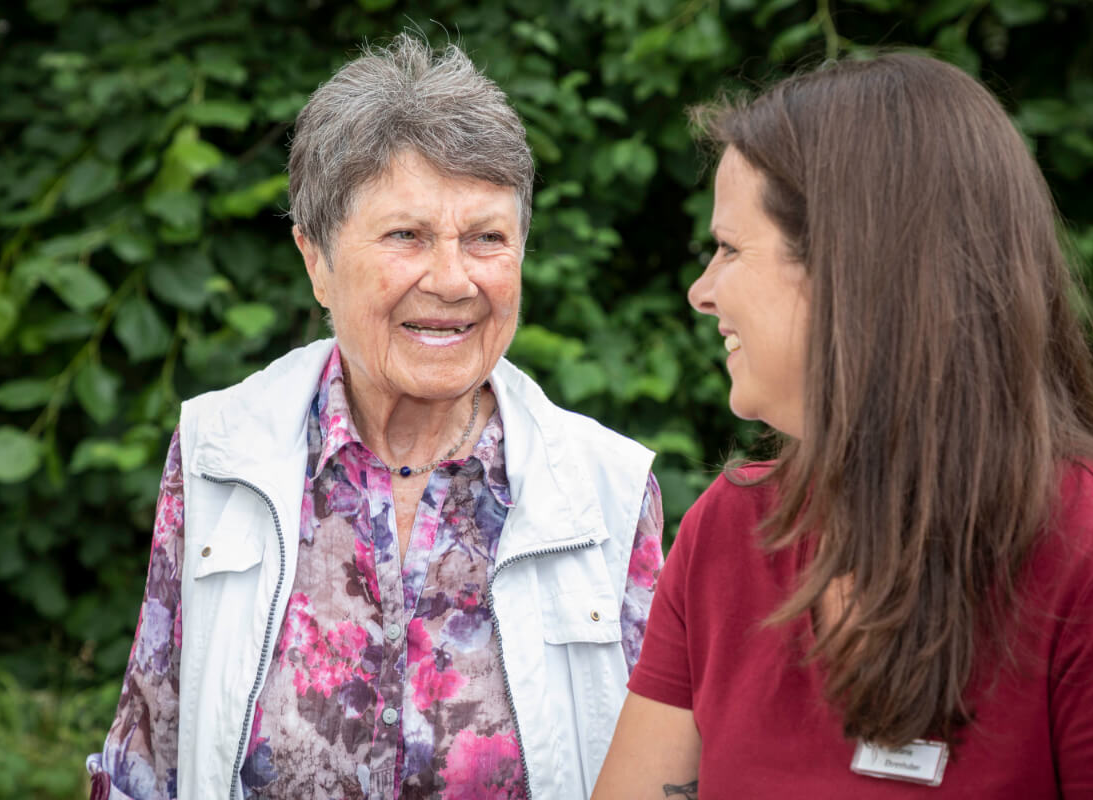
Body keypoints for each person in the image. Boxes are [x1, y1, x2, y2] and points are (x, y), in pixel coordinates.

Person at [87, 33, 664, 800]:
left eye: (487, 238)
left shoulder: (608, 490)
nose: (454, 280)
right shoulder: (219, 454)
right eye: (407, 236)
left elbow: (664, 773)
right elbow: (145, 761)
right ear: (315, 260)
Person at [592, 53, 1093, 799]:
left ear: (851, 267)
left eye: (730, 248)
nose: (703, 292)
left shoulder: (1082, 553)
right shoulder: (730, 533)